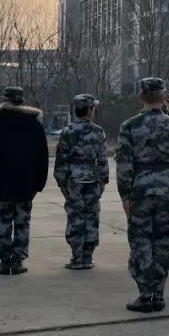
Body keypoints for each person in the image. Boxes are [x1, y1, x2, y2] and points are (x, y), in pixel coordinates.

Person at [117, 78, 169, 313]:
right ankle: (158, 293)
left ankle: (145, 294)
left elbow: (124, 164)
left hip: (140, 190)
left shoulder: (129, 126)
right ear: (163, 97)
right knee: (164, 242)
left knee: (141, 242)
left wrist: (125, 195)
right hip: (168, 189)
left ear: (141, 96)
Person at [0, 86, 49, 276]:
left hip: (0, 185)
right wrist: (39, 184)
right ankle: (18, 260)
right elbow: (42, 158)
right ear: (22, 101)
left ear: (4, 100)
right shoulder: (34, 126)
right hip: (26, 185)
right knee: (22, 224)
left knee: (2, 224)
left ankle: (4, 261)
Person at [53, 94, 109, 270]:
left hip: (73, 178)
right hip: (92, 177)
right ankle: (88, 256)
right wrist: (103, 180)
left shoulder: (68, 131)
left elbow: (61, 158)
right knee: (92, 216)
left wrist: (61, 182)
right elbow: (103, 158)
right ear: (89, 110)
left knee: (76, 216)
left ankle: (77, 256)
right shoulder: (98, 131)